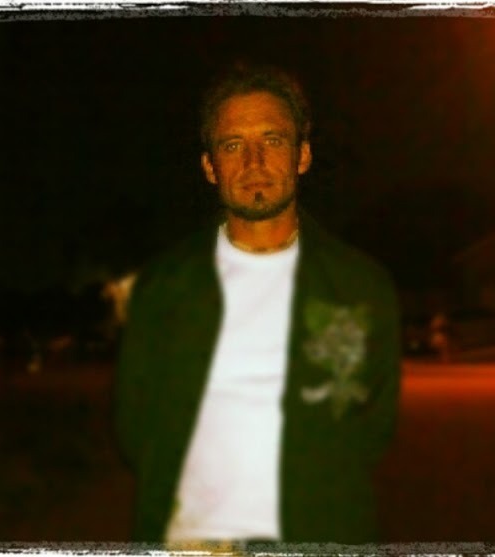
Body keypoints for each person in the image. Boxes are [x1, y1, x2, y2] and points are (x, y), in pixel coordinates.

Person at [114, 63, 401, 549]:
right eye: (232, 145)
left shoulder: (359, 286)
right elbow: (134, 429)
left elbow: (373, 429)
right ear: (210, 167)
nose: (254, 161)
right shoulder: (164, 287)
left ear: (302, 155)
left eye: (272, 140)